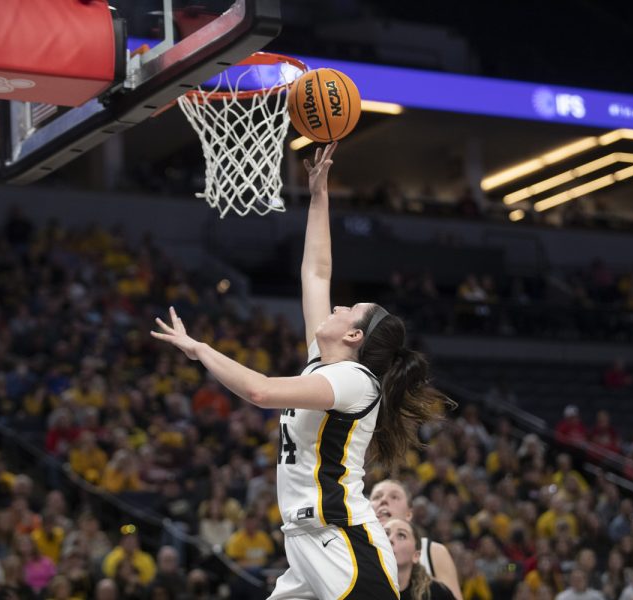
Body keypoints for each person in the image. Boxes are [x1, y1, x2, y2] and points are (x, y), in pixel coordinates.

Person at [151, 142, 450, 599]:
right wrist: (318, 194)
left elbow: (262, 392)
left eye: (351, 308)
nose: (339, 304)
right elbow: (316, 272)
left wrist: (200, 349)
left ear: (354, 337)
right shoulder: (323, 362)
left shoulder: (355, 382)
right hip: (306, 543)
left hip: (344, 544)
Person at [369, 479, 462, 599]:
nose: (383, 500)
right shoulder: (352, 551)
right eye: (377, 497)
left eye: (394, 497)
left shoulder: (432, 551)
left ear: (409, 514)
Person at [385, 519, 456, 600]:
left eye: (401, 535)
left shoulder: (436, 593)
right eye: (386, 534)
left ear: (416, 556)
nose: (390, 539)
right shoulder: (368, 588)